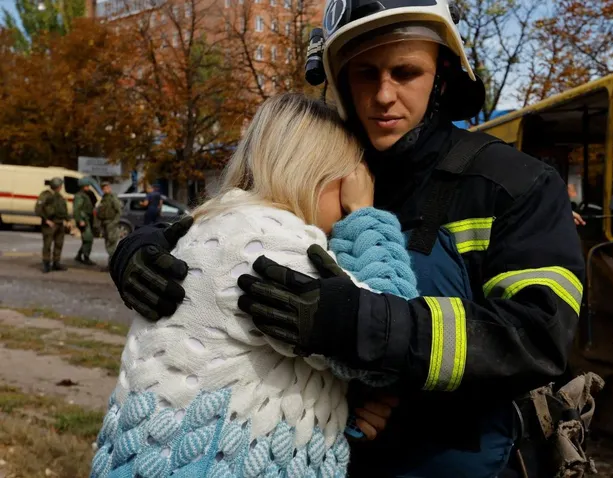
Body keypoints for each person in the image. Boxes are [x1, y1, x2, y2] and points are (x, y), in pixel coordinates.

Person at [107, 1, 585, 476]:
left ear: (441, 75)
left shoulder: (513, 184)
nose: (384, 95)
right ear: (340, 82)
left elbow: (538, 337)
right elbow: (245, 217)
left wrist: (363, 325)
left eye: (406, 72)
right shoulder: (332, 167)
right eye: (365, 74)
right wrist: (142, 247)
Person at [92, 94, 418, 478]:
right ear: (318, 175)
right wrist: (364, 215)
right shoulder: (267, 241)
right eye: (349, 179)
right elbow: (391, 330)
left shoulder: (217, 226)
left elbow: (262, 372)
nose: (348, 199)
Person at [35, 177, 69, 273]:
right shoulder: (45, 195)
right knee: (47, 244)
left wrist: (67, 220)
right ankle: (46, 263)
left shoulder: (59, 196)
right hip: (50, 223)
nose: (61, 187)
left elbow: (63, 209)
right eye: (60, 185)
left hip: (59, 222)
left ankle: (56, 262)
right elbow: (38, 209)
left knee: (59, 243)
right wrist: (46, 220)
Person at [96, 181, 123, 267]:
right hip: (105, 223)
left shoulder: (113, 198)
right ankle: (111, 264)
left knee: (112, 243)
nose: (105, 189)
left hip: (111, 223)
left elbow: (119, 212)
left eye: (107, 187)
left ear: (109, 188)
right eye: (104, 188)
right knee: (108, 244)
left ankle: (113, 264)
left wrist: (114, 222)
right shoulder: (104, 198)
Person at [73, 177, 96, 266]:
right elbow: (76, 209)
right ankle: (86, 257)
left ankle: (79, 256)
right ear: (82, 186)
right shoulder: (79, 196)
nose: (88, 187)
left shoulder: (86, 194)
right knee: (88, 238)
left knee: (86, 239)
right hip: (83, 219)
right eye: (86, 186)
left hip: (88, 219)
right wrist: (80, 220)